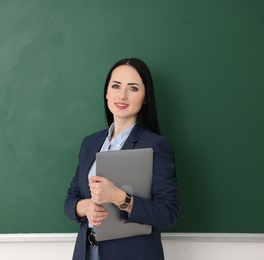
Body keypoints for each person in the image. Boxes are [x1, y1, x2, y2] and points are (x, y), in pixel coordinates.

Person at [64, 57, 181, 260]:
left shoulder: (155, 146)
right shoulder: (90, 143)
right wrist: (85, 208)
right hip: (86, 252)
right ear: (107, 93)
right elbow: (71, 199)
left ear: (145, 97)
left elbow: (168, 214)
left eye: (133, 88)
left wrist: (119, 197)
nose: (122, 95)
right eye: (116, 86)